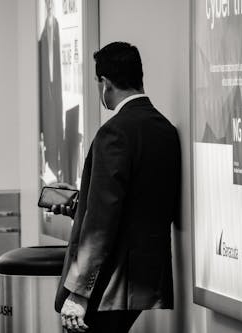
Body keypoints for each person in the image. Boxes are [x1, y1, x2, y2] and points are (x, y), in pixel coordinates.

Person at [52, 42, 181, 333]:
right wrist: (78, 203)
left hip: (108, 284)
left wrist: (79, 292)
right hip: (145, 282)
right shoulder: (165, 130)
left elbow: (100, 222)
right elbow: (140, 204)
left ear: (105, 83)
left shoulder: (114, 132)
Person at [39, 0, 64, 182]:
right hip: (46, 93)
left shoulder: (54, 25)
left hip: (53, 94)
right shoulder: (43, 29)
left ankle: (54, 164)